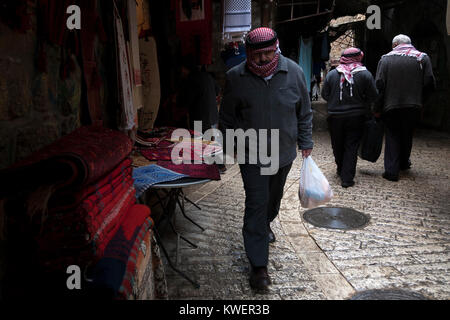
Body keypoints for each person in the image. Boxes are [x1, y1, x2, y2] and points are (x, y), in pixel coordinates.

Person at [219, 27, 313, 291]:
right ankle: (259, 266)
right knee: (256, 203)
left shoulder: (294, 72)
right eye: (257, 55)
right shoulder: (236, 77)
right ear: (248, 53)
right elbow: (226, 118)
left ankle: (266, 224)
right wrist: (228, 147)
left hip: (283, 153)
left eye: (268, 54)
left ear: (277, 48)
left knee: (274, 199)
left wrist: (306, 142)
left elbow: (304, 112)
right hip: (252, 155)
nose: (262, 60)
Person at [375, 34, 435, 182]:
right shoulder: (422, 58)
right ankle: (403, 162)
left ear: (395, 44)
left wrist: (377, 107)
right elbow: (429, 83)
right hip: (414, 105)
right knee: (407, 133)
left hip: (391, 105)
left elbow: (379, 85)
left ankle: (391, 171)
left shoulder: (385, 59)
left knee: (393, 135)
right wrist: (422, 101)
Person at [321, 48, 378, 188]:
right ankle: (347, 178)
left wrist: (335, 102)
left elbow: (324, 94)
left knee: (337, 144)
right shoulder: (365, 75)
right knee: (351, 145)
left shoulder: (332, 75)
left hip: (335, 116)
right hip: (356, 116)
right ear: (358, 58)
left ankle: (341, 169)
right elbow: (373, 95)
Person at [177, 55, 219, 132]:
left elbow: (185, 101)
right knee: (212, 143)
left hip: (200, 122)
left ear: (185, 68)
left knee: (200, 143)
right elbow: (217, 91)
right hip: (213, 119)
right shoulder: (208, 76)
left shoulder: (191, 80)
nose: (181, 71)